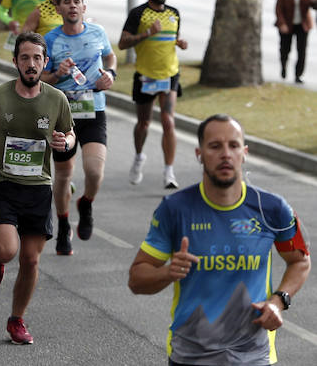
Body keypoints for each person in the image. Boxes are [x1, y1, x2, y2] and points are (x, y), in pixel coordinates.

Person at [128, 114, 310, 366]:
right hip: (190, 355)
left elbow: (300, 261)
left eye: (233, 146)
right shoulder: (175, 209)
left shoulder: (272, 208)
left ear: (244, 153)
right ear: (199, 153)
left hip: (253, 355)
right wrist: (169, 272)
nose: (226, 154)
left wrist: (279, 301)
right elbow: (137, 280)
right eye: (215, 146)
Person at [0, 31, 74, 345]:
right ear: (15, 61)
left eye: (36, 58)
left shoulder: (57, 98)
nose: (30, 64)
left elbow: (69, 134)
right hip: (3, 183)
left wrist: (64, 141)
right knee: (6, 250)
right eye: (24, 58)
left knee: (30, 259)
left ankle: (16, 320)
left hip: (39, 188)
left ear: (45, 62)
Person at [41, 0, 116, 256]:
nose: (72, 6)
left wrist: (111, 73)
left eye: (77, 2)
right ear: (58, 9)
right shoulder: (50, 39)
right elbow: (40, 79)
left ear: (84, 7)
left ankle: (86, 203)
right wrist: (56, 74)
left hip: (94, 110)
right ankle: (63, 225)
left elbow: (109, 56)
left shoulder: (97, 33)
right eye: (67, 2)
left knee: (95, 171)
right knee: (63, 175)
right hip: (63, 114)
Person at [119, 0, 188, 189]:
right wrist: (146, 33)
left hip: (169, 74)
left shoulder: (174, 14)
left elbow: (171, 38)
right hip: (146, 76)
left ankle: (169, 172)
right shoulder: (138, 14)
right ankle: (139, 157)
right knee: (144, 123)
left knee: (168, 120)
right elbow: (122, 43)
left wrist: (179, 43)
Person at [275, 0, 312, 84]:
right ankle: (283, 67)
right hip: (287, 23)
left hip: (303, 24)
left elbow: (313, 5)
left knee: (301, 51)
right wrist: (282, 24)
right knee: (285, 49)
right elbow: (278, 8)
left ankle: (298, 75)